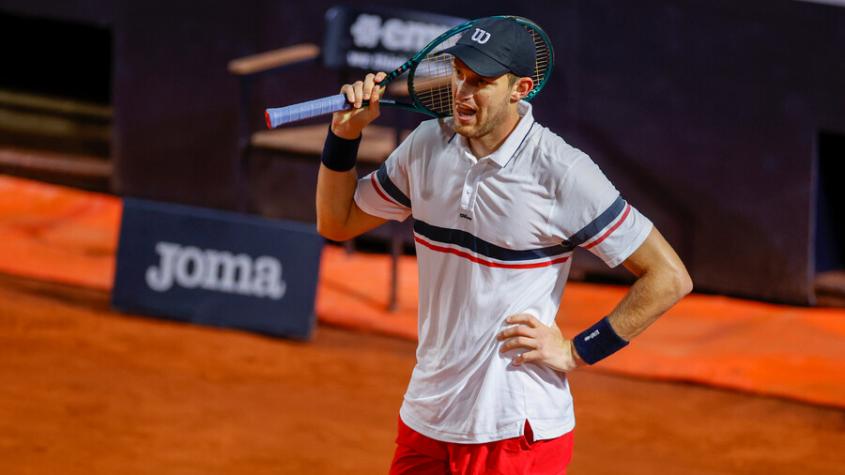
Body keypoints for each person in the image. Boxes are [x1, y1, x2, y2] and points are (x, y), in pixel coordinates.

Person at [316, 16, 692, 475]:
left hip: (514, 430)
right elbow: (337, 222)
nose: (462, 91)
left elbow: (669, 277)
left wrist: (576, 351)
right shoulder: (426, 146)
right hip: (428, 415)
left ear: (520, 89)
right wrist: (343, 137)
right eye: (458, 74)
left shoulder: (561, 171)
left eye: (481, 82)